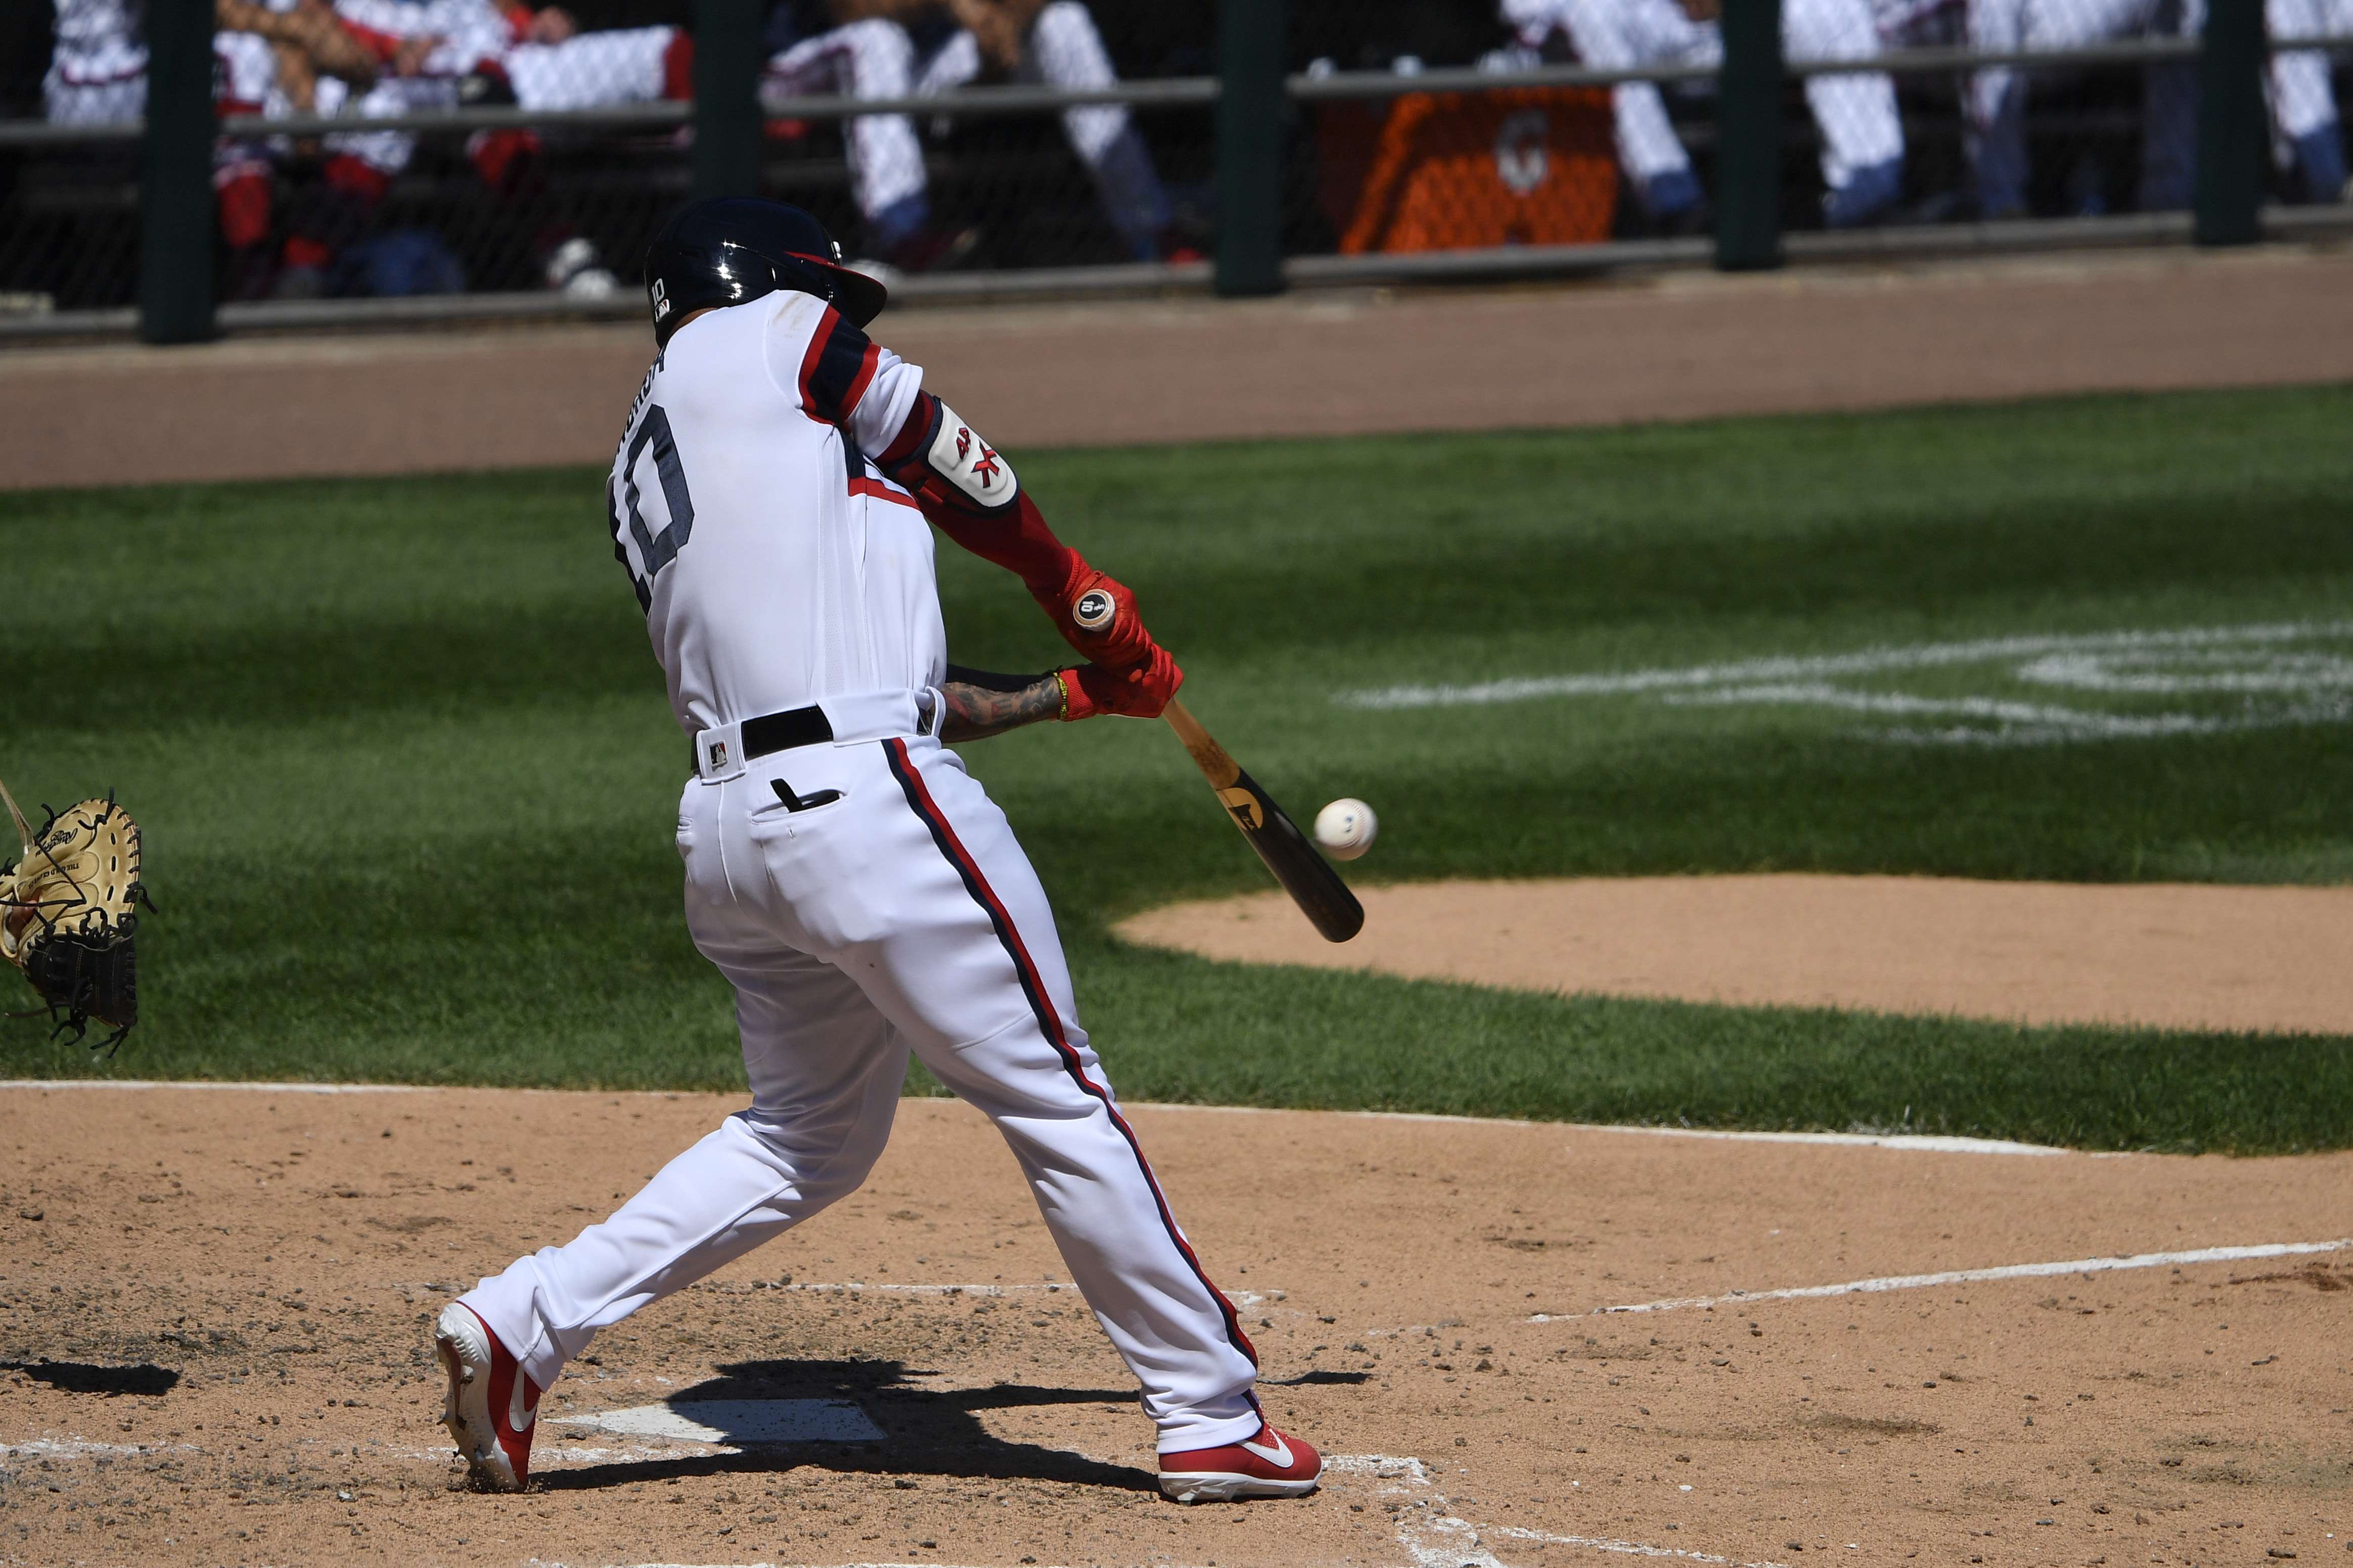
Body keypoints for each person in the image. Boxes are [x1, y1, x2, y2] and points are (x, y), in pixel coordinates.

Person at [432, 197, 1322, 1507]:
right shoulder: (774, 333)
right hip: (861, 804)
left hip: (735, 835)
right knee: (1059, 1096)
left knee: (807, 1133)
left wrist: (1074, 693)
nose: (847, 317)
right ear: (775, 278)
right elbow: (955, 457)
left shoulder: (652, 441)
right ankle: (1207, 1410)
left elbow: (870, 669)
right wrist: (1078, 592)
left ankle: (523, 1321)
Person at [761, 0, 1184, 266]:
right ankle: (900, 235)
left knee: (1064, 20)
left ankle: (1151, 230)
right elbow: (853, 10)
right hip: (794, 73)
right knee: (876, 40)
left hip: (917, 71)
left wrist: (1000, 20)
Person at [1496, 0, 1907, 230]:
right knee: (1590, 11)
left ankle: (1866, 196)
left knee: (1830, 7)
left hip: (1760, 21)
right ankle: (1677, 205)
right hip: (1659, 26)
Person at [1964, 0, 2200, 216]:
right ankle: (2003, 206)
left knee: (2183, 22)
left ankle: (2171, 196)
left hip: (2058, 15)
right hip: (1970, 20)